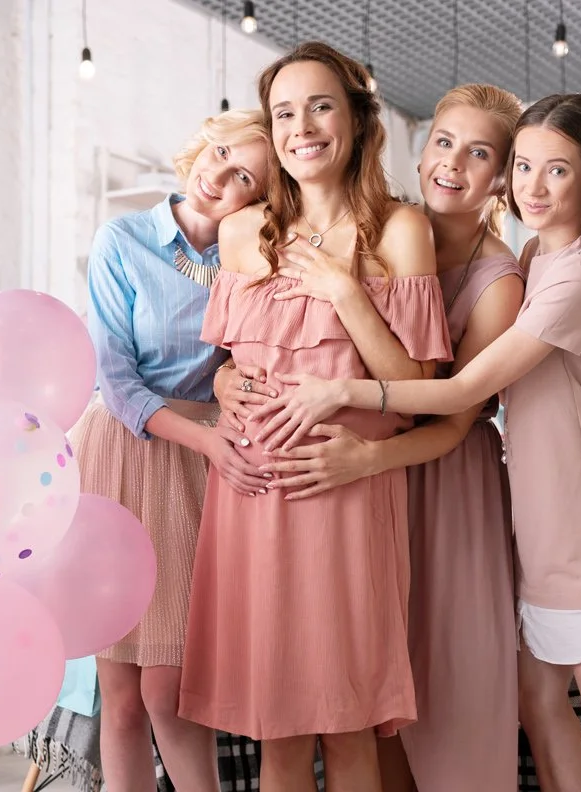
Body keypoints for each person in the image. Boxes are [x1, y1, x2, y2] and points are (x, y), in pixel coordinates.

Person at [255, 93, 581, 792]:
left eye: (550, 170)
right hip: (527, 508)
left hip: (579, 514)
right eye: (526, 166)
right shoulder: (537, 252)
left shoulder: (551, 274)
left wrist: (346, 394)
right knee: (533, 705)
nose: (533, 185)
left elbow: (458, 396)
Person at [217, 83, 526, 792]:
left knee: (429, 696)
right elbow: (243, 352)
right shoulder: (385, 230)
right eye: (444, 142)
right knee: (326, 712)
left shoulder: (481, 273)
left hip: (434, 478)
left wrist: (347, 300)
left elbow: (444, 410)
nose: (452, 163)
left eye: (479, 153)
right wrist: (225, 382)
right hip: (336, 482)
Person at [178, 42, 452, 792]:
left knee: (348, 724)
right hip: (251, 498)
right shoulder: (242, 233)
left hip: (345, 491)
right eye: (285, 112)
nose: (303, 127)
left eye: (321, 105)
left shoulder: (401, 232)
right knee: (279, 734)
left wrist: (345, 292)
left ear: (358, 121)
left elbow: (415, 389)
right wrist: (228, 381)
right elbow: (231, 362)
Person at [73, 109, 273, 792]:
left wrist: (217, 436)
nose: (220, 174)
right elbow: (116, 378)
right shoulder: (122, 239)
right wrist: (206, 439)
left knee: (171, 689)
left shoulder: (251, 263)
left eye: (245, 173)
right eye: (220, 152)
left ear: (261, 197)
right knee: (121, 697)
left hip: (198, 469)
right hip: (125, 451)